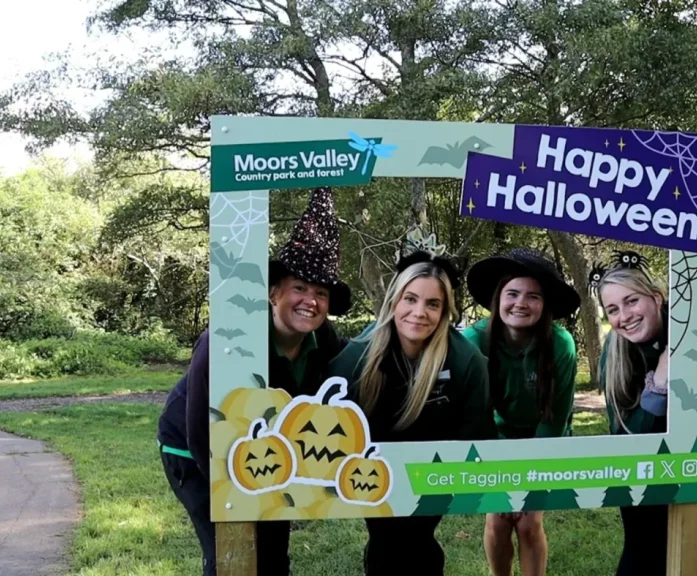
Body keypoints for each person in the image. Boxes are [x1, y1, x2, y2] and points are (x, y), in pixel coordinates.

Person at [156, 187, 353, 576]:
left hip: (264, 451)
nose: (309, 300)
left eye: (320, 293)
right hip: (195, 453)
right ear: (274, 292)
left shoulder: (325, 340)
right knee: (231, 547)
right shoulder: (229, 337)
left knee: (273, 549)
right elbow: (200, 429)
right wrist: (230, 489)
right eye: (299, 288)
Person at [328, 229, 497, 576]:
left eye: (432, 303)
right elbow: (326, 420)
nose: (419, 312)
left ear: (445, 310)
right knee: (387, 540)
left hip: (434, 472)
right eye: (410, 299)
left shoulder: (467, 361)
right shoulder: (358, 356)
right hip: (374, 471)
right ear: (394, 301)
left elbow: (477, 436)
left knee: (416, 538)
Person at [592, 250, 697, 576]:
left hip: (695, 457)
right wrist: (657, 386)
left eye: (632, 301)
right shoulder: (613, 354)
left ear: (656, 297)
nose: (624, 315)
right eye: (612, 309)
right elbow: (625, 437)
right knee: (643, 550)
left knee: (689, 548)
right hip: (640, 470)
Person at [461, 248, 581, 576]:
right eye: (512, 293)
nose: (521, 303)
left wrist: (528, 481)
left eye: (533, 296)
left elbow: (555, 418)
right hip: (494, 438)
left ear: (544, 306)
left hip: (543, 437)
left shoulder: (560, 345)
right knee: (498, 519)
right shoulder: (473, 342)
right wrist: (502, 482)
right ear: (498, 298)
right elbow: (475, 416)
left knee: (529, 522)